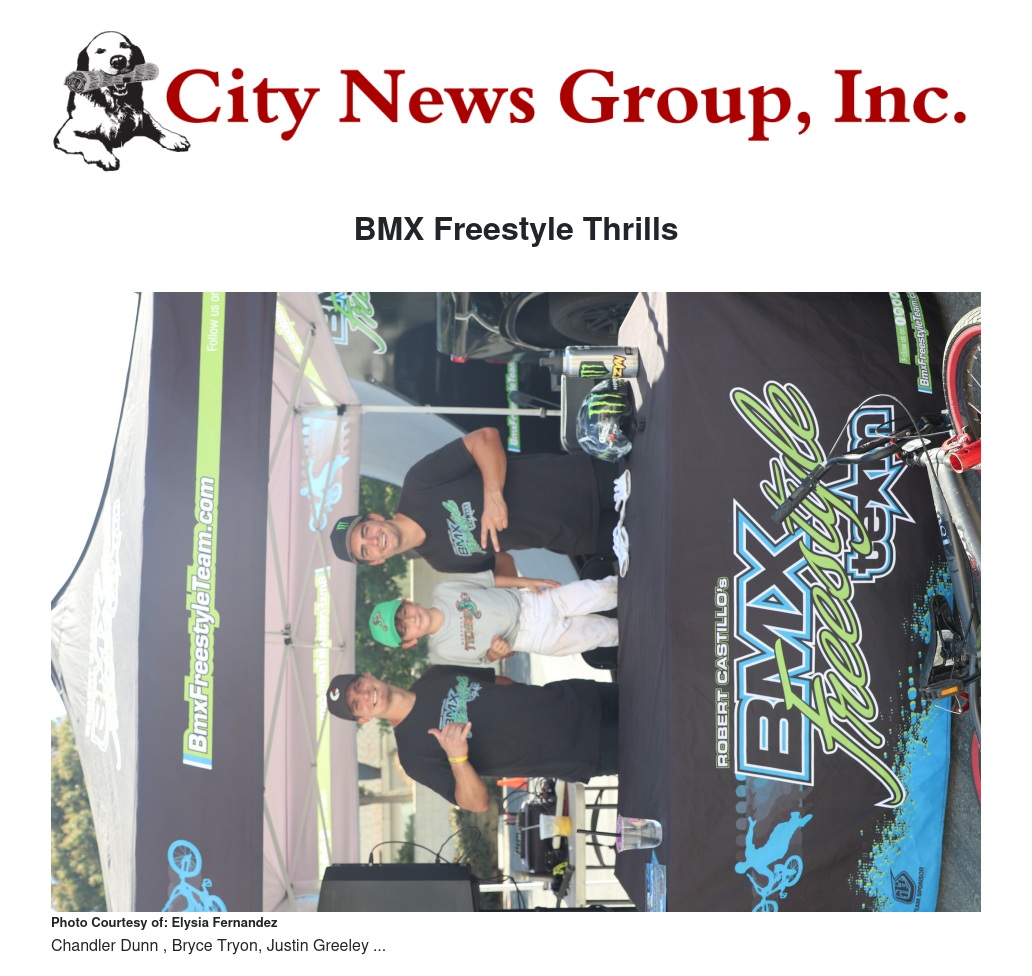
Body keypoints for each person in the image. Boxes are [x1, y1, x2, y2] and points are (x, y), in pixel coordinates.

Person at [328, 426, 619, 576]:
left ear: (374, 518)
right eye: (366, 550)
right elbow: (500, 565)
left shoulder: (418, 484)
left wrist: (493, 497)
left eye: (365, 531)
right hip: (581, 538)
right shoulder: (441, 563)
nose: (373, 541)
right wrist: (523, 592)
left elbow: (485, 438)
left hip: (583, 482)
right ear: (377, 561)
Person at [326, 667, 619, 811]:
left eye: (359, 686)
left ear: (368, 676)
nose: (365, 695)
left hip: (579, 697)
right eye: (356, 704)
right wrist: (457, 757)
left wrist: (532, 705)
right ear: (363, 719)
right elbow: (476, 804)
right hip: (581, 749)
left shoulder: (432, 675)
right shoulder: (413, 757)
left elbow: (497, 682)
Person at [368, 571, 618, 663]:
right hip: (536, 638)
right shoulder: (443, 649)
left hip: (534, 601)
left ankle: (642, 583)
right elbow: (484, 659)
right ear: (409, 642)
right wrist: (495, 653)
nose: (411, 620)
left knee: (604, 590)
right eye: (403, 629)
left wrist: (526, 581)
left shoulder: (443, 590)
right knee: (605, 633)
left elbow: (490, 581)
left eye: (404, 613)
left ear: (408, 602)